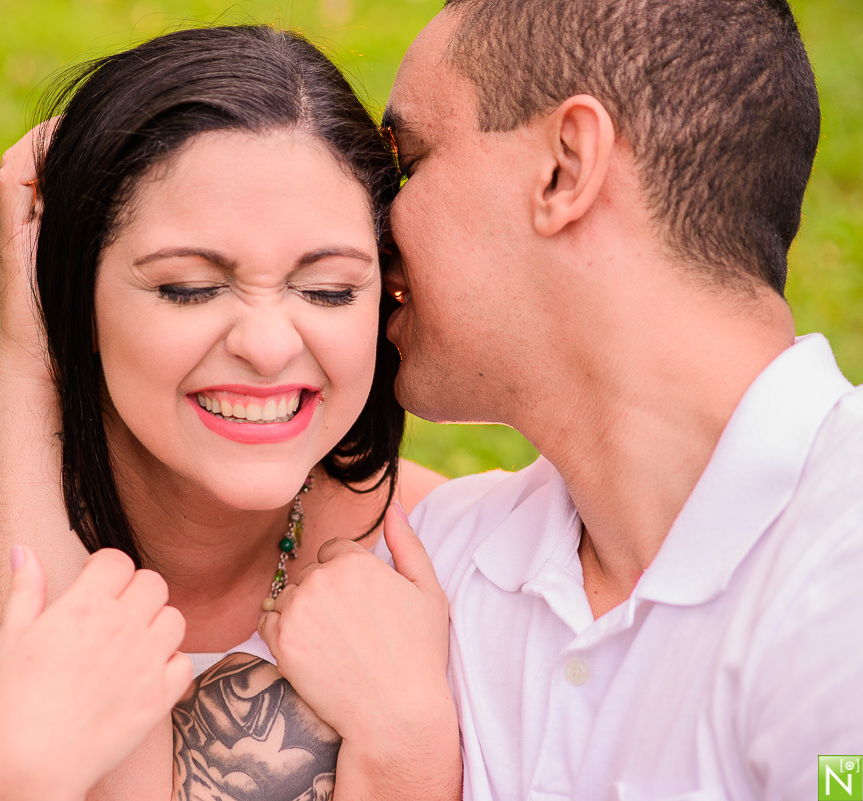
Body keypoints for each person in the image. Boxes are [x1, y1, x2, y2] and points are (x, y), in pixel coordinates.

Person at [0, 25, 459, 801]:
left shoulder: (447, 555)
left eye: (326, 289)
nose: (266, 346)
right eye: (189, 287)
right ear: (73, 297)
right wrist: (22, 774)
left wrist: (408, 749)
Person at [256, 0, 863, 799]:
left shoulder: (841, 573)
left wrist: (409, 761)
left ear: (565, 168)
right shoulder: (429, 573)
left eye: (409, 164)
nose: (371, 237)